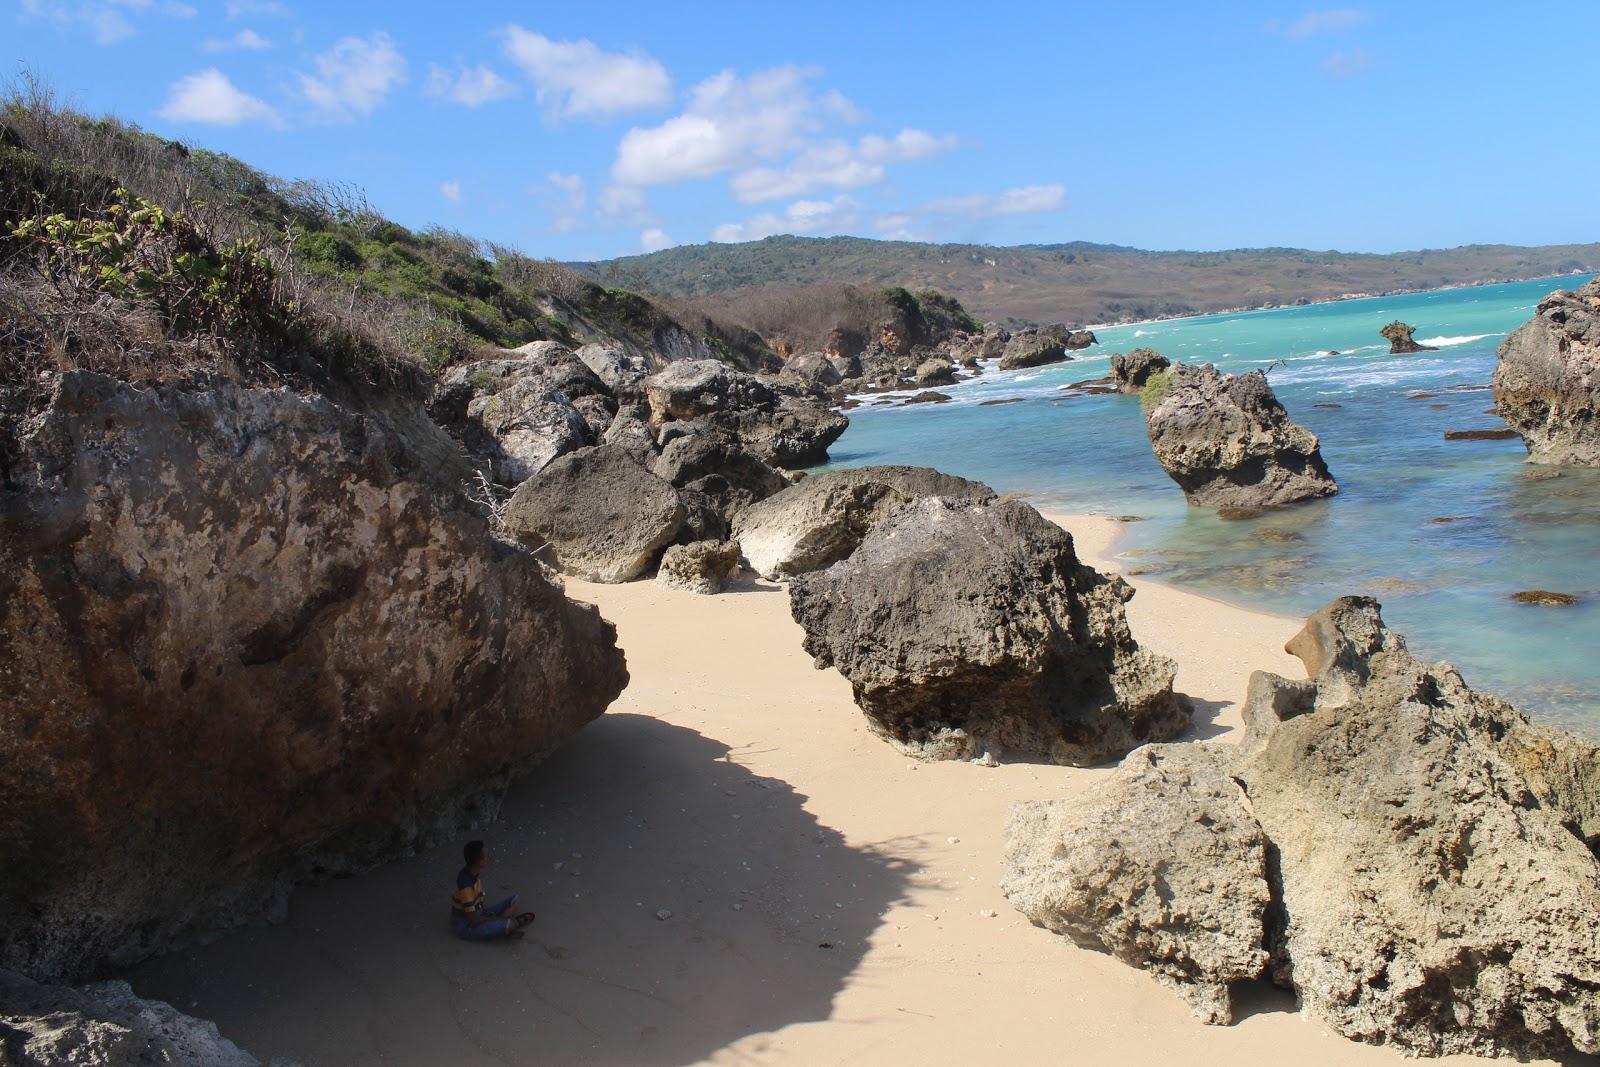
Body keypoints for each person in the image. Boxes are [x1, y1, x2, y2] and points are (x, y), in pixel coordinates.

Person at [450, 840, 535, 941]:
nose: (488, 857)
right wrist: (498, 919)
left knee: (513, 900)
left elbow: (478, 905)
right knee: (508, 923)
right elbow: (473, 920)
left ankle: (503, 923)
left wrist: (488, 915)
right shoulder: (466, 887)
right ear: (478, 861)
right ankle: (507, 924)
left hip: (478, 912)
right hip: (465, 926)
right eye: (485, 855)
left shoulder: (471, 873)